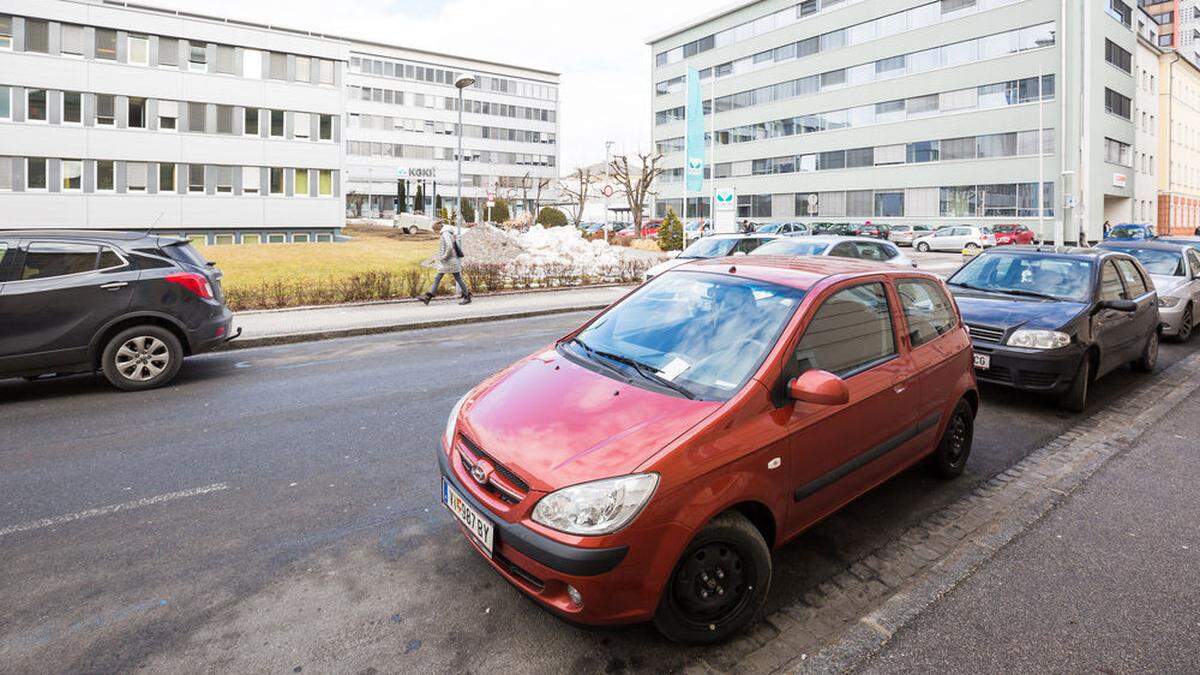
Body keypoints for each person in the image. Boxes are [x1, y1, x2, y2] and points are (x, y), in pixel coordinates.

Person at [418, 222, 471, 305]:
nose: (435, 232)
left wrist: (443, 257)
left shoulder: (445, 233)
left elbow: (449, 246)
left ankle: (428, 297)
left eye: (435, 230)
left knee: (440, 278)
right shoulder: (448, 233)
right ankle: (428, 297)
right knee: (451, 278)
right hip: (451, 260)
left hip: (449, 261)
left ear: (438, 228)